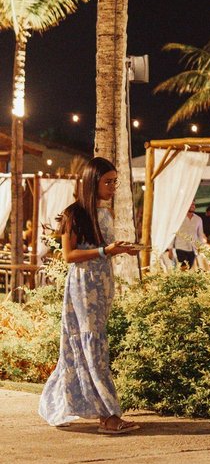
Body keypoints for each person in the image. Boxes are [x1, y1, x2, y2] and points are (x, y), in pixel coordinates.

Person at [39, 157, 140, 435]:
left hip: (102, 284)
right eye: (108, 182)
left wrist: (120, 250)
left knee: (92, 345)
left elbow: (102, 249)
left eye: (115, 181)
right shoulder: (74, 214)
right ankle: (108, 415)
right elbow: (70, 255)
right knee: (92, 346)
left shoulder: (104, 213)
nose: (113, 187)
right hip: (84, 286)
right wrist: (105, 251)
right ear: (93, 182)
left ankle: (78, 405)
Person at [174, 202, 205, 267]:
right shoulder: (179, 218)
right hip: (180, 247)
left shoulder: (198, 219)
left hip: (193, 248)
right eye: (190, 204)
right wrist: (170, 248)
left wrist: (200, 247)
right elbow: (173, 232)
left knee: (190, 267)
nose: (192, 206)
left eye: (193, 204)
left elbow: (200, 234)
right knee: (183, 267)